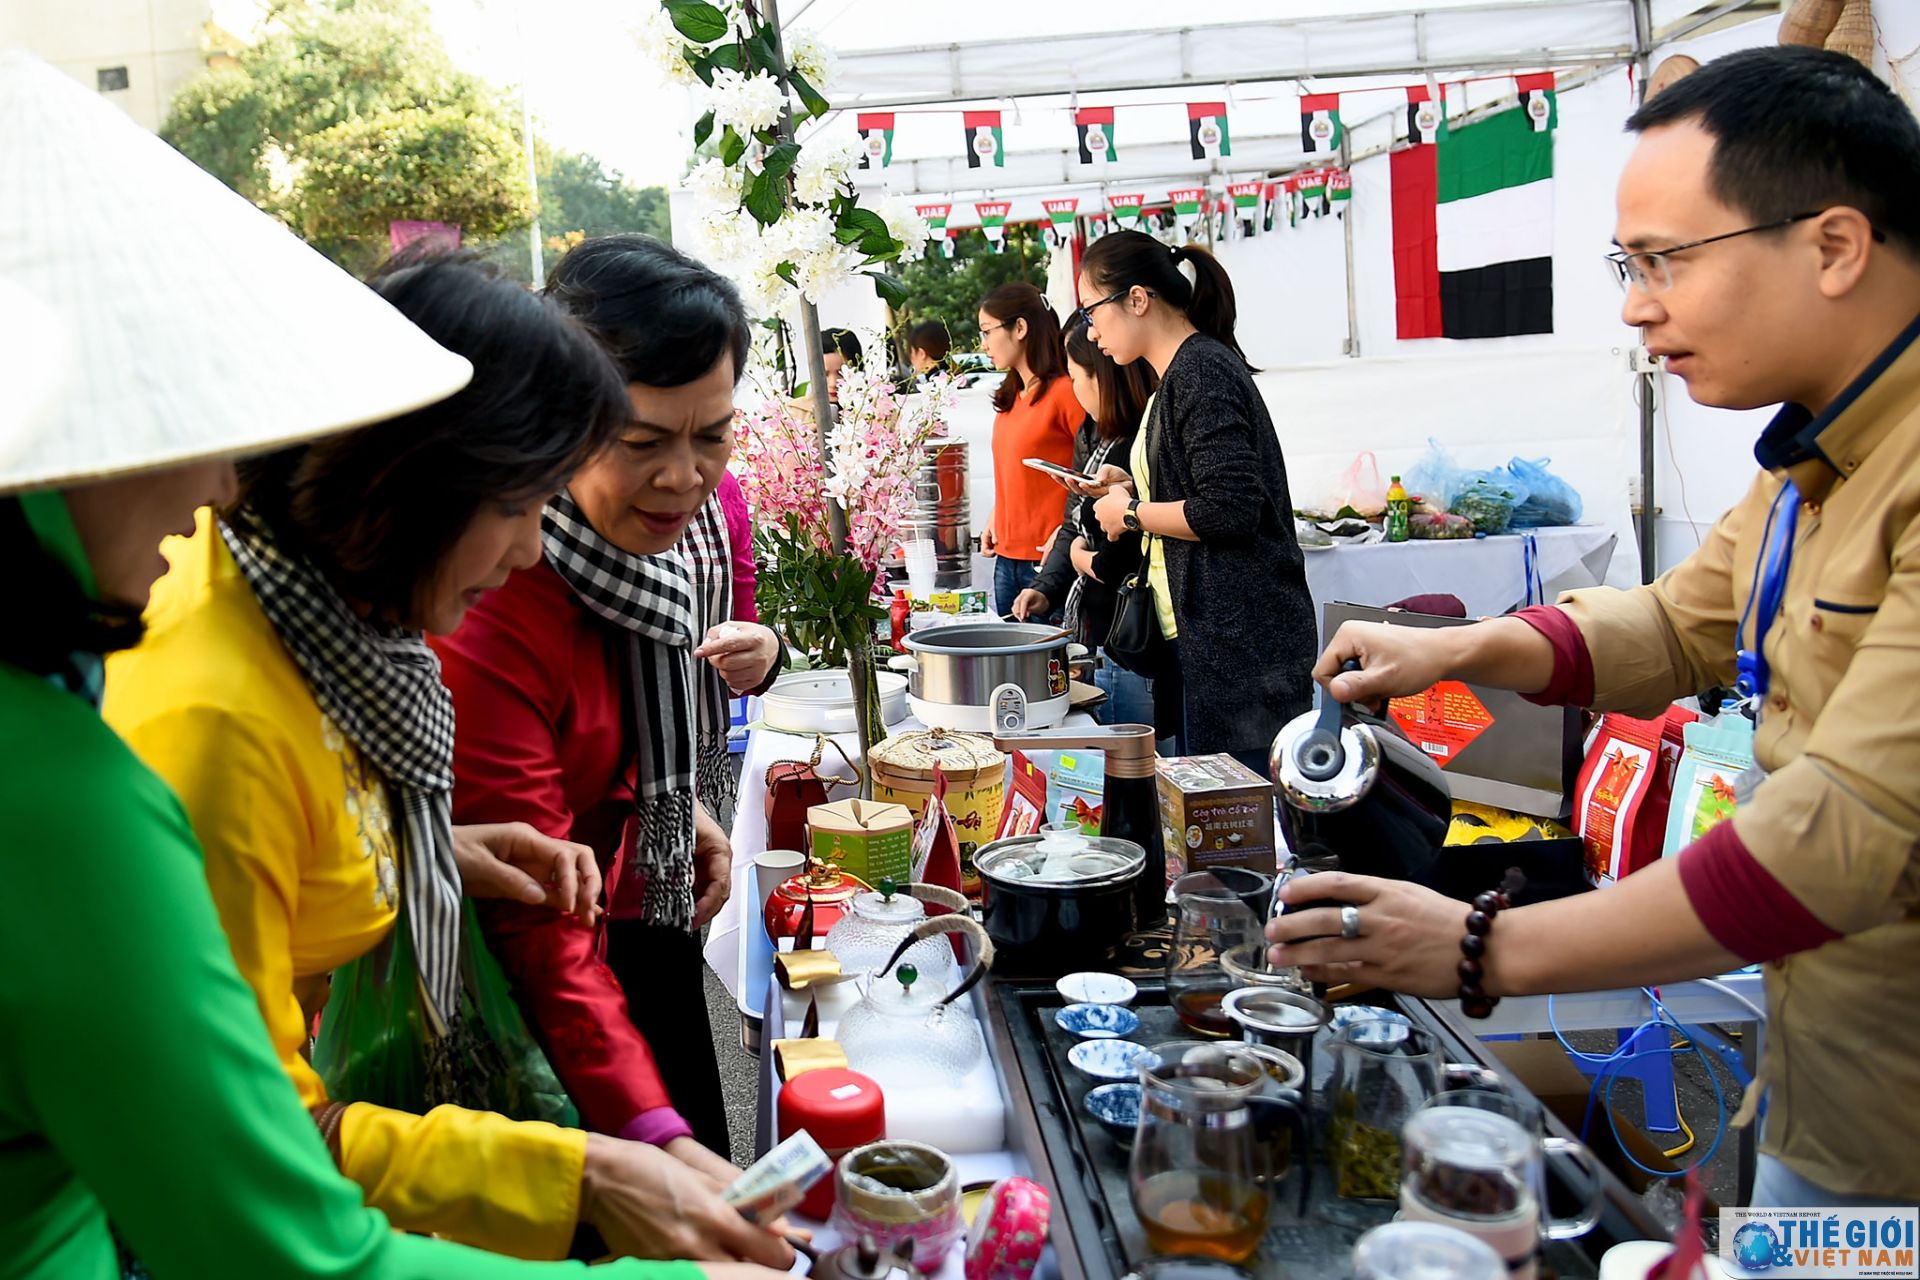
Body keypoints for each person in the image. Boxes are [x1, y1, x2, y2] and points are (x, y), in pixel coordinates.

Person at [0, 49, 774, 1280]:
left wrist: (437, 851)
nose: (215, 481)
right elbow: (277, 1202)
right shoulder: (193, 718)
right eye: (517, 503)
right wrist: (622, 1200)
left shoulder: (311, 632)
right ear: (408, 490)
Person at [1266, 46, 1920, 1208]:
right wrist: (1460, 645)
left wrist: (1480, 947)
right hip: (1833, 1096)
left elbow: (1839, 837)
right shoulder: (1808, 460)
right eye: (1629, 264)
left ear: (1833, 246)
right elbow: (1675, 621)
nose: (1635, 304)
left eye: (1666, 260)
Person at [436, 236, 786, 1161]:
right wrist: (656, 1138)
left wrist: (659, 800)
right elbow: (532, 911)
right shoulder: (501, 585)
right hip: (522, 999)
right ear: (562, 417)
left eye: (711, 437)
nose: (685, 477)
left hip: (621, 925)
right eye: (642, 442)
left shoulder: (647, 557)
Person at [1072, 231, 1315, 771]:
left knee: (1237, 805)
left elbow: (1230, 509)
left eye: (1092, 310)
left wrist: (1130, 514)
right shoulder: (1177, 375)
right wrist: (1130, 484)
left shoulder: (1200, 370)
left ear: (1138, 299)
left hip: (1241, 645)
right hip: (1213, 641)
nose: (1091, 330)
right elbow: (1200, 486)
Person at [1012, 323, 1160, 730]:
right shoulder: (1092, 434)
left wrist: (1079, 558)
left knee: (1130, 754)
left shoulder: (1139, 444)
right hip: (1096, 631)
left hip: (1129, 637)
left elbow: (1119, 559)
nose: (1072, 389)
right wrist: (1044, 588)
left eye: (1076, 377)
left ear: (1102, 379)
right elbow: (1072, 522)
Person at [978, 281, 1081, 617]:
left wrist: (1066, 534)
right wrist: (997, 513)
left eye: (987, 331)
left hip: (1048, 562)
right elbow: (1016, 472)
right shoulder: (1011, 397)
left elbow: (1095, 470)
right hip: (1005, 557)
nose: (983, 344)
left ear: (1020, 328)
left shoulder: (1065, 391)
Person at [819, 327, 862, 405]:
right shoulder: (798, 409)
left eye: (841, 373)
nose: (833, 383)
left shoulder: (874, 406)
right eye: (824, 374)